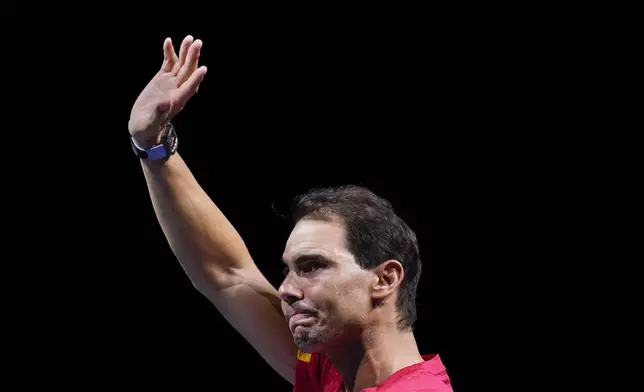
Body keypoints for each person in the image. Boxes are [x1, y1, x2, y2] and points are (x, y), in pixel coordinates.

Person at [130, 35, 453, 392]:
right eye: (288, 270)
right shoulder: (335, 369)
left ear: (385, 279)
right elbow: (227, 273)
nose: (285, 289)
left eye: (312, 266)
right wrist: (152, 146)